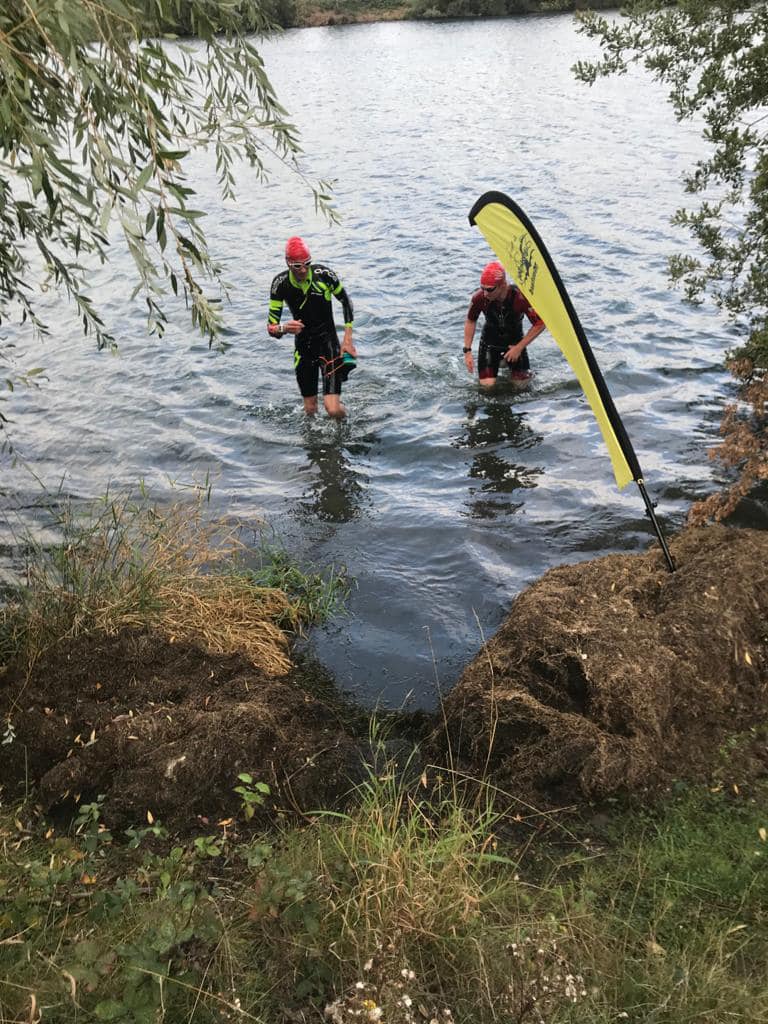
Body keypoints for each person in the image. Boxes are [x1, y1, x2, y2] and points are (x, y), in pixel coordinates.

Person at [267, 236, 357, 419]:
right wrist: (284, 328)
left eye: (307, 264)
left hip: (328, 344)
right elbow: (271, 327)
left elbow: (346, 302)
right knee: (310, 410)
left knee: (332, 409)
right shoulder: (280, 285)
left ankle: (346, 425)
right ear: (288, 263)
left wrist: (347, 339)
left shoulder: (324, 275)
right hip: (303, 348)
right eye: (297, 266)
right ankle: (316, 444)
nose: (303, 270)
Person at [462, 261, 545, 387]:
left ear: (503, 285)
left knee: (522, 387)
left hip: (515, 343)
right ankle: (501, 361)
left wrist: (519, 347)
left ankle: (506, 362)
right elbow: (470, 320)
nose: (485, 293)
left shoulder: (520, 297)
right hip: (490, 343)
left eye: (489, 290)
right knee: (487, 387)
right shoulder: (479, 298)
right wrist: (467, 351)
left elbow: (540, 323)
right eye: (482, 288)